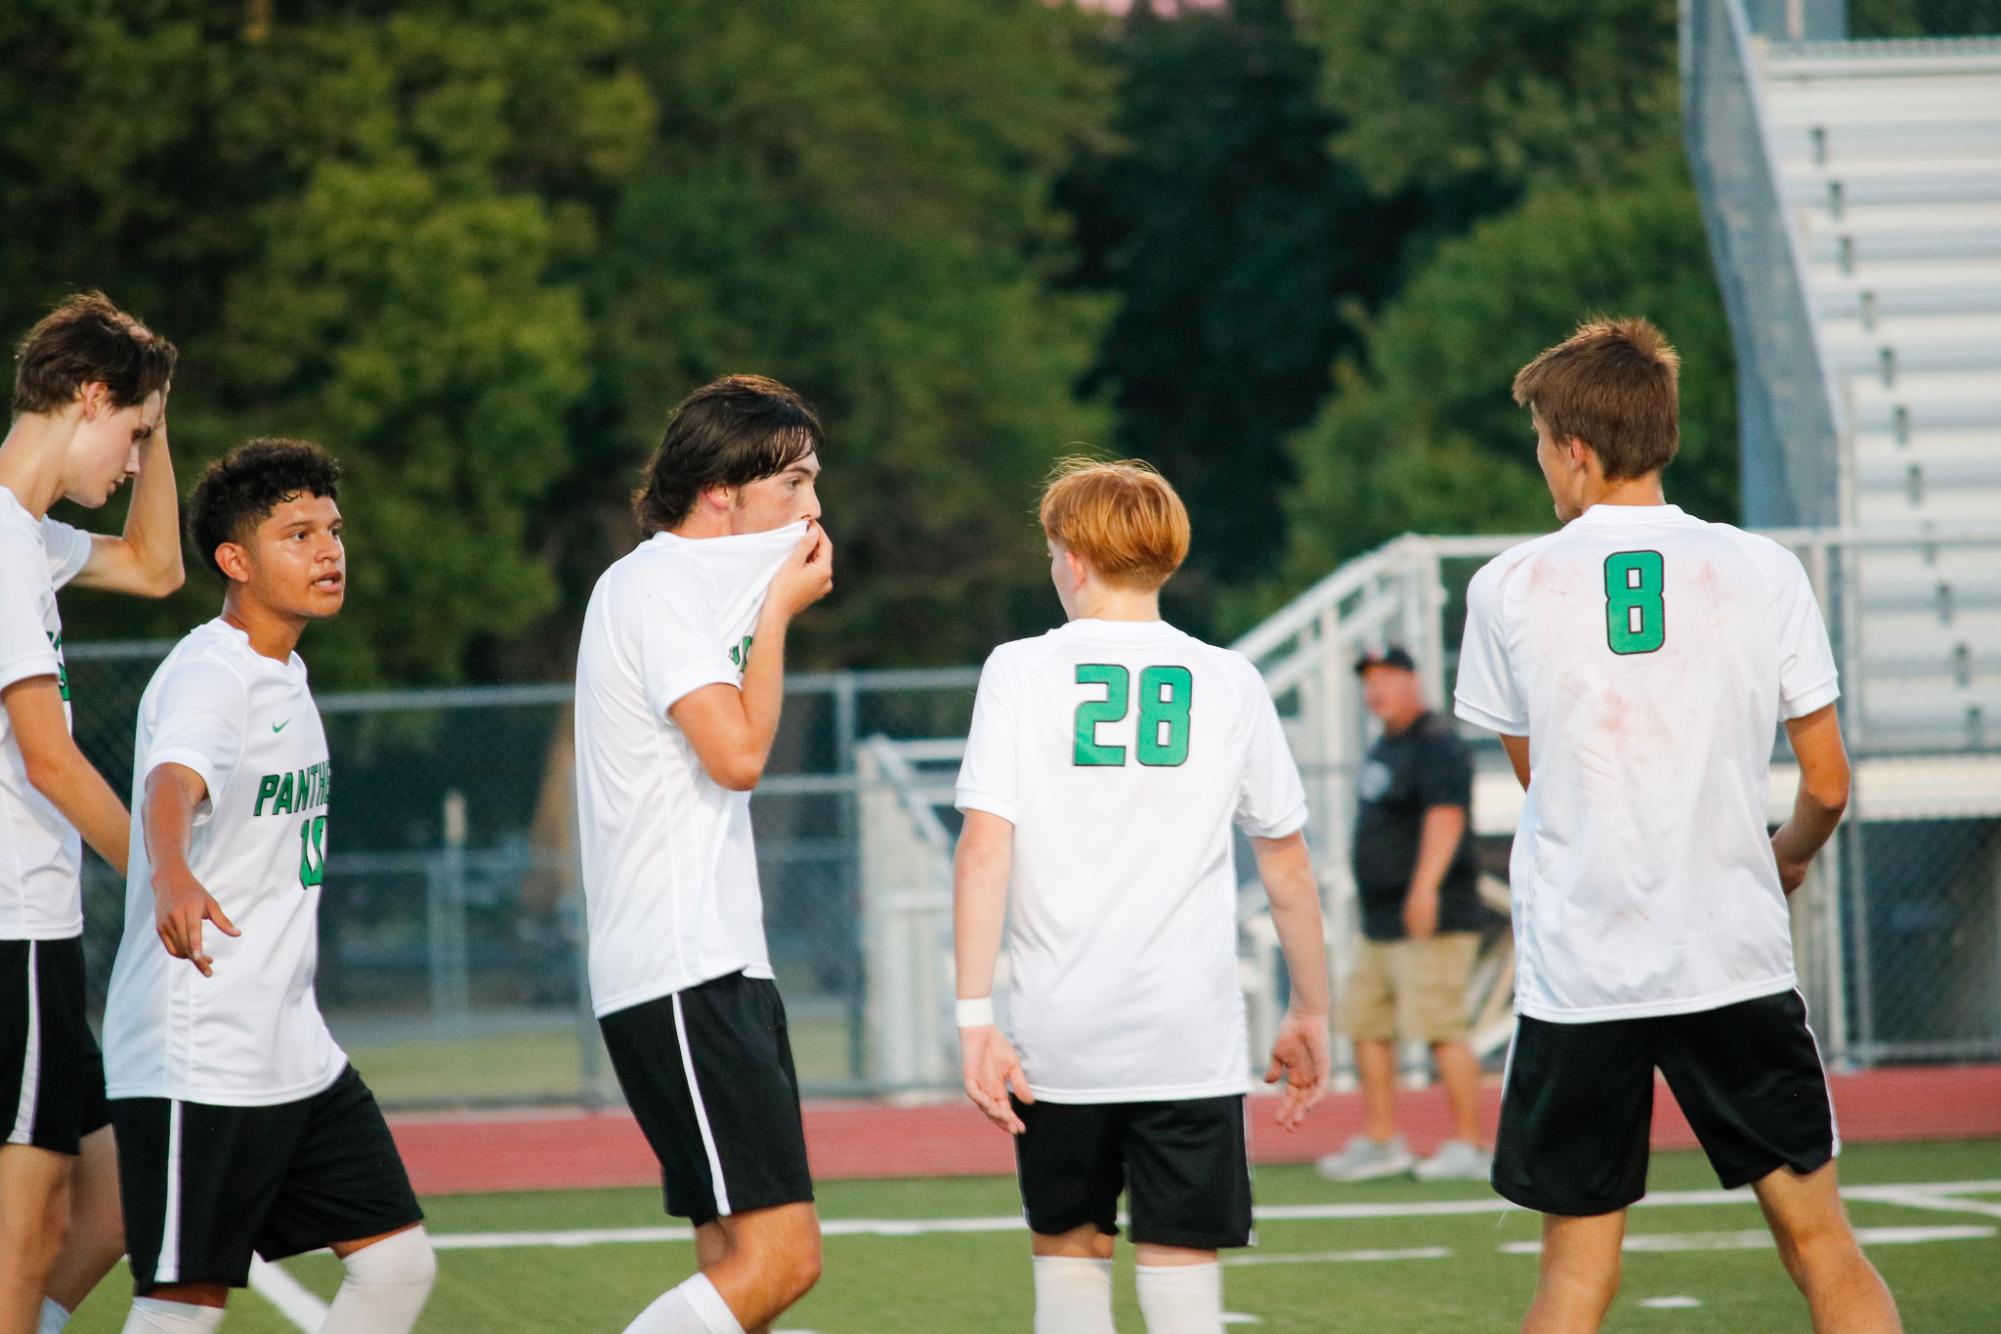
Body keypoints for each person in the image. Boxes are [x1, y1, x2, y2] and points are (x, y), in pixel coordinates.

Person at [1454, 318, 1901, 1333]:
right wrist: (1783, 854)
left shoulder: (1507, 587)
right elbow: (1827, 782)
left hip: (1582, 972)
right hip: (1729, 954)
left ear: (1573, 447)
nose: (1540, 461)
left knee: (1574, 1278)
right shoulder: (1766, 569)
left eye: (1538, 439)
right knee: (1823, 1245)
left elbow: (1544, 778)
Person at [954, 458, 1331, 1334]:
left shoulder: (1018, 670)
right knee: (1180, 1271)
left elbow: (982, 854)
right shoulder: (1229, 679)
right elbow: (1288, 868)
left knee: (1071, 1257)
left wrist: (975, 1016)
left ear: (1074, 560)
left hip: (1060, 1031)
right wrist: (1310, 1005)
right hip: (1186, 1032)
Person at [101, 440, 435, 1333]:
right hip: (198, 1050)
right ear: (235, 562)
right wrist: (170, 868)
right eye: (297, 534)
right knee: (183, 1307)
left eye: (331, 529)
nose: (329, 550)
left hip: (291, 1046)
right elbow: (171, 778)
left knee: (398, 1265)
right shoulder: (213, 671)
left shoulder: (283, 668)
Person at [574, 375, 834, 1334]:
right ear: (721, 488)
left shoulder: (670, 586)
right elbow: (739, 757)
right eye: (793, 483)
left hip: (712, 967)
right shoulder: (661, 584)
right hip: (686, 971)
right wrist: (775, 617)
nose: (812, 508)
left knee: (733, 1267)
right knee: (781, 1260)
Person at [0, 292, 184, 1334]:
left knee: (113, 1194)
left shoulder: (29, 540)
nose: (129, 462)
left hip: (43, 937)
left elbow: (157, 567)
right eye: (131, 434)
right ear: (87, 394)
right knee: (20, 1238)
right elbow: (51, 759)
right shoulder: (0, 546)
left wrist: (157, 411)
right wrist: (169, 881)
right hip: (12, 931)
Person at [1316, 643, 1489, 1184]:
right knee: (1365, 1022)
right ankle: (1383, 1139)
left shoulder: (1436, 744)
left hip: (1429, 914)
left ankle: (1468, 1143)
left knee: (1440, 1027)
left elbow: (1446, 817)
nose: (1376, 688)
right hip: (1380, 917)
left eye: (1387, 675)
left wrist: (1424, 888)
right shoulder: (1385, 746)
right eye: (1369, 678)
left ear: (1414, 680)